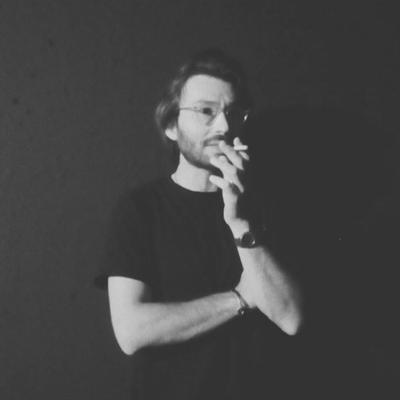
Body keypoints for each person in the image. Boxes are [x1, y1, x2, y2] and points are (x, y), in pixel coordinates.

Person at [95, 49, 303, 400]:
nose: (223, 126)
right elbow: (131, 331)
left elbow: (291, 318)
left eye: (232, 113)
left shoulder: (265, 205)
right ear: (171, 125)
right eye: (206, 111)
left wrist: (240, 222)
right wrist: (239, 298)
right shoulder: (141, 209)